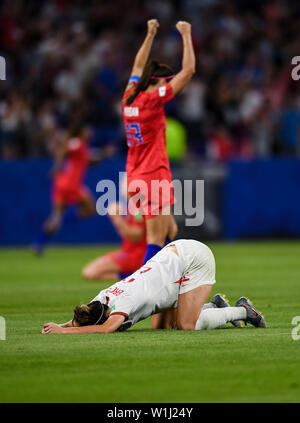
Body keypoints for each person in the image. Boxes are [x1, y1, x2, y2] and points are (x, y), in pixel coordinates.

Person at [41, 239, 266, 334]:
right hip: (173, 257)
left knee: (186, 325)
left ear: (107, 315)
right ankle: (213, 305)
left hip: (193, 259)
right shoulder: (101, 298)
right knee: (163, 327)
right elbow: (87, 318)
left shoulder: (122, 304)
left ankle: (244, 311)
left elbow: (105, 328)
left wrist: (64, 331)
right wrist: (63, 324)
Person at [122, 19, 196, 266]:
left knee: (170, 232)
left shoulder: (129, 97)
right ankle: (141, 295)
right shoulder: (152, 101)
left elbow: (137, 64)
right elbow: (188, 72)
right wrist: (186, 35)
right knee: (155, 240)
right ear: (159, 82)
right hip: (153, 175)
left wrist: (150, 33)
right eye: (166, 81)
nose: (168, 84)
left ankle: (166, 295)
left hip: (135, 177)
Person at [34, 121, 95, 255]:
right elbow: (63, 150)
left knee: (55, 217)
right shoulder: (77, 142)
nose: (89, 132)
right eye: (87, 129)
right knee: (90, 209)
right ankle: (64, 219)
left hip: (63, 184)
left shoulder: (83, 147)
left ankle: (39, 243)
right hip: (71, 184)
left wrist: (105, 154)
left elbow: (88, 162)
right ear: (81, 132)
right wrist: (56, 168)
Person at [82, 202, 147, 281]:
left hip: (136, 255)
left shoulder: (138, 208)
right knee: (90, 272)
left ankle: (136, 275)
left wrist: (116, 217)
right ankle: (135, 275)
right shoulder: (134, 206)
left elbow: (136, 237)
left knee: (90, 272)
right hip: (129, 253)